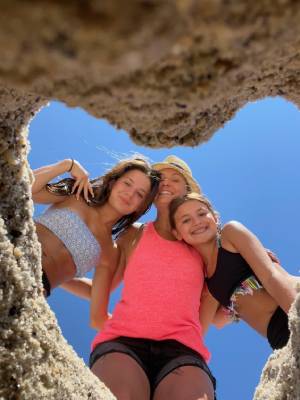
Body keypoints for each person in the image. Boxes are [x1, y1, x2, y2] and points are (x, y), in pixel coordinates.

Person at [89, 156, 216, 400]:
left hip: (183, 350)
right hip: (123, 342)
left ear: (187, 190)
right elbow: (100, 289)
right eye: (161, 179)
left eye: (175, 179)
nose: (166, 183)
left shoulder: (201, 241)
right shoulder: (133, 234)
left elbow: (220, 289)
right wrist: (52, 282)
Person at [169, 192, 299, 350]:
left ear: (215, 218)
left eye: (202, 213)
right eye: (186, 220)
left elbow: (270, 276)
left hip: (291, 303)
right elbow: (214, 323)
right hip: (277, 335)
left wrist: (297, 318)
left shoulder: (230, 234)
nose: (197, 222)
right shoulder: (209, 285)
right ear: (177, 233)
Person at [32, 156, 160, 298]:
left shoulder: (111, 251)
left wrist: (61, 279)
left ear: (140, 206)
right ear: (113, 182)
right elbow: (25, 188)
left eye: (139, 194)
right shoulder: (77, 194)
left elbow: (96, 293)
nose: (130, 194)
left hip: (33, 289)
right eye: (127, 183)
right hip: (12, 248)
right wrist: (67, 165)